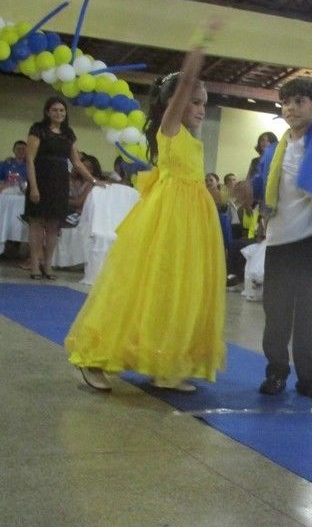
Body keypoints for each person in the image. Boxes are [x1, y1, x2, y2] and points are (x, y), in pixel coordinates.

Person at [66, 24, 226, 393]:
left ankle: (165, 362)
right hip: (168, 216)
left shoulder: (193, 138)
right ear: (174, 103)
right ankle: (94, 357)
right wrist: (196, 52)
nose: (201, 108)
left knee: (178, 289)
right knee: (145, 284)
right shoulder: (169, 129)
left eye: (204, 102)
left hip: (192, 220)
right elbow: (184, 84)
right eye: (194, 100)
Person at [237, 57, 312, 400]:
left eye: (299, 101)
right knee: (276, 315)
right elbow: (263, 188)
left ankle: (308, 377)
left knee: (310, 316)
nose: (291, 108)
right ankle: (276, 372)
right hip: (278, 241)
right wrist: (248, 191)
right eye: (286, 102)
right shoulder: (273, 151)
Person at [24, 96, 101, 279]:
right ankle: (35, 265)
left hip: (59, 182)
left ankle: (48, 265)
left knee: (53, 225)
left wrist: (94, 181)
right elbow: (29, 159)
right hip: (40, 180)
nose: (59, 113)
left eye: (62, 110)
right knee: (36, 223)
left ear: (65, 113)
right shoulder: (38, 129)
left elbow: (77, 162)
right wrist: (33, 187)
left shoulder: (69, 134)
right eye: (55, 110)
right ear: (47, 112)